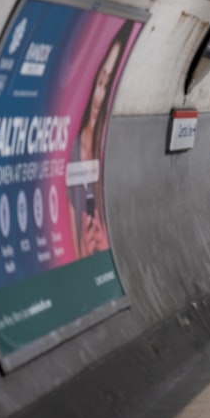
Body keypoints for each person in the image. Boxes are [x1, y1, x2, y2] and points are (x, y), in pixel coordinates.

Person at [69, 21, 134, 258]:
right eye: (98, 83)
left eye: (106, 87)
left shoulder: (106, 151)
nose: (99, 97)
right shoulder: (72, 149)